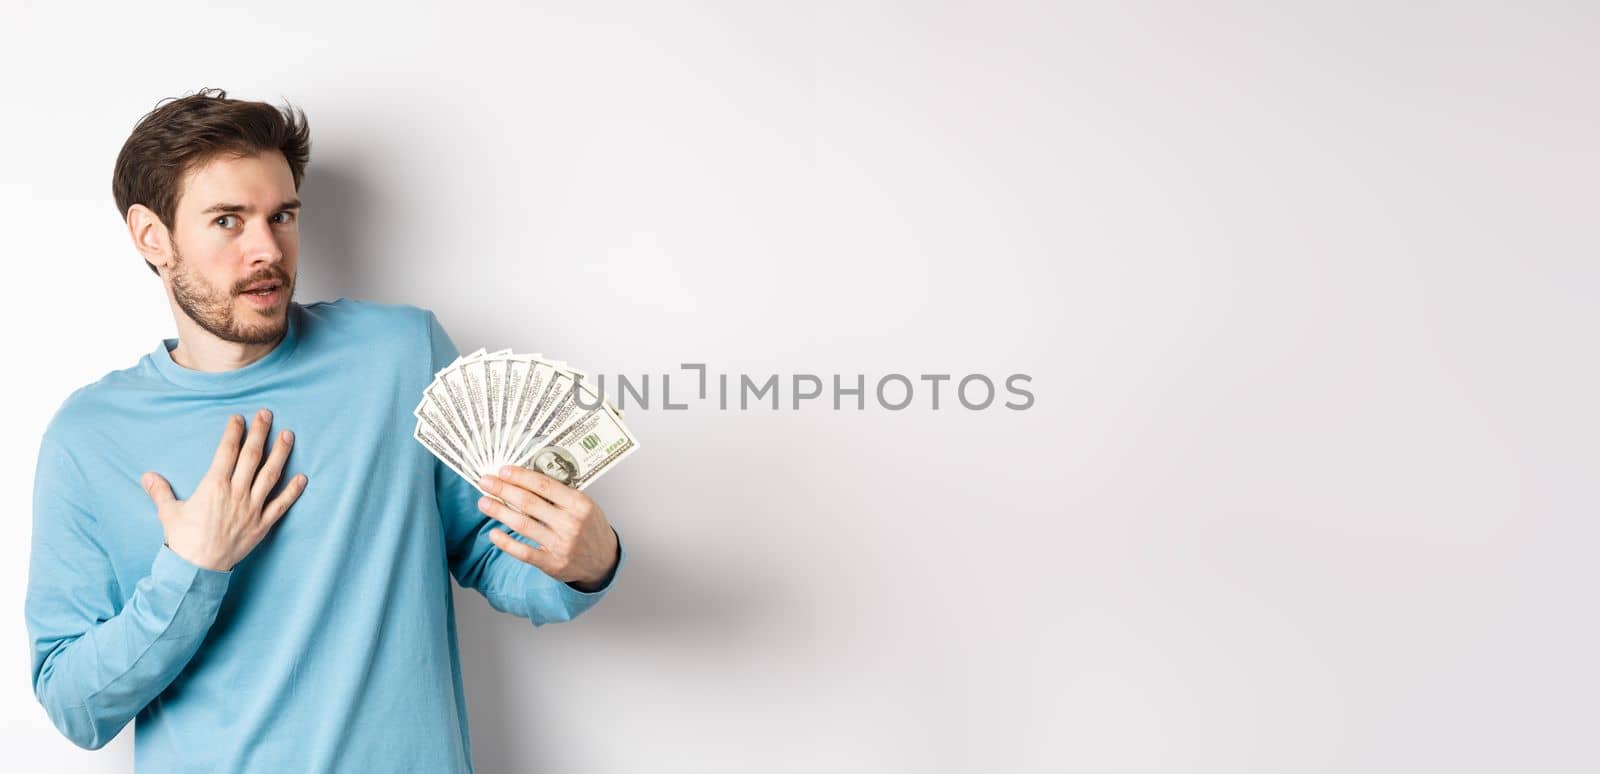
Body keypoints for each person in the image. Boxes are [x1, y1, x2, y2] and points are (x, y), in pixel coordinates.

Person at [23, 88, 627, 773]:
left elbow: (493, 556)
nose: (267, 250)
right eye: (228, 220)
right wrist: (190, 569)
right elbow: (76, 707)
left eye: (281, 215)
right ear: (152, 237)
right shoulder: (89, 436)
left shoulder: (401, 355)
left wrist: (586, 566)